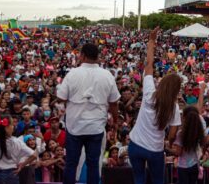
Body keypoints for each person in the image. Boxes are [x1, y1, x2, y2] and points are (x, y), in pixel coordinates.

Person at [57, 43, 120, 184]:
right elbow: (114, 103)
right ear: (98, 56)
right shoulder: (107, 75)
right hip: (96, 127)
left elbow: (61, 97)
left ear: (82, 55)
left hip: (75, 127)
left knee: (71, 163)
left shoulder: (72, 74)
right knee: (93, 164)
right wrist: (115, 121)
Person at [128, 28, 181, 184]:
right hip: (155, 149)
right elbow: (172, 133)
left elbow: (149, 64)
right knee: (158, 180)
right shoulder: (174, 107)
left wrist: (151, 41)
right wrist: (169, 143)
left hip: (136, 145)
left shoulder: (149, 92)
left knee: (139, 179)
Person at [0, 115, 38, 184]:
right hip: (12, 174)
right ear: (7, 128)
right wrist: (22, 165)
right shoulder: (17, 141)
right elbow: (34, 155)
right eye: (12, 125)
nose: (13, 127)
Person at [173, 90, 205, 184]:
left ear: (185, 117)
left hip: (183, 166)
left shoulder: (181, 134)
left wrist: (168, 147)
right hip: (195, 165)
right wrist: (202, 91)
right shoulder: (199, 130)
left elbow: (178, 152)